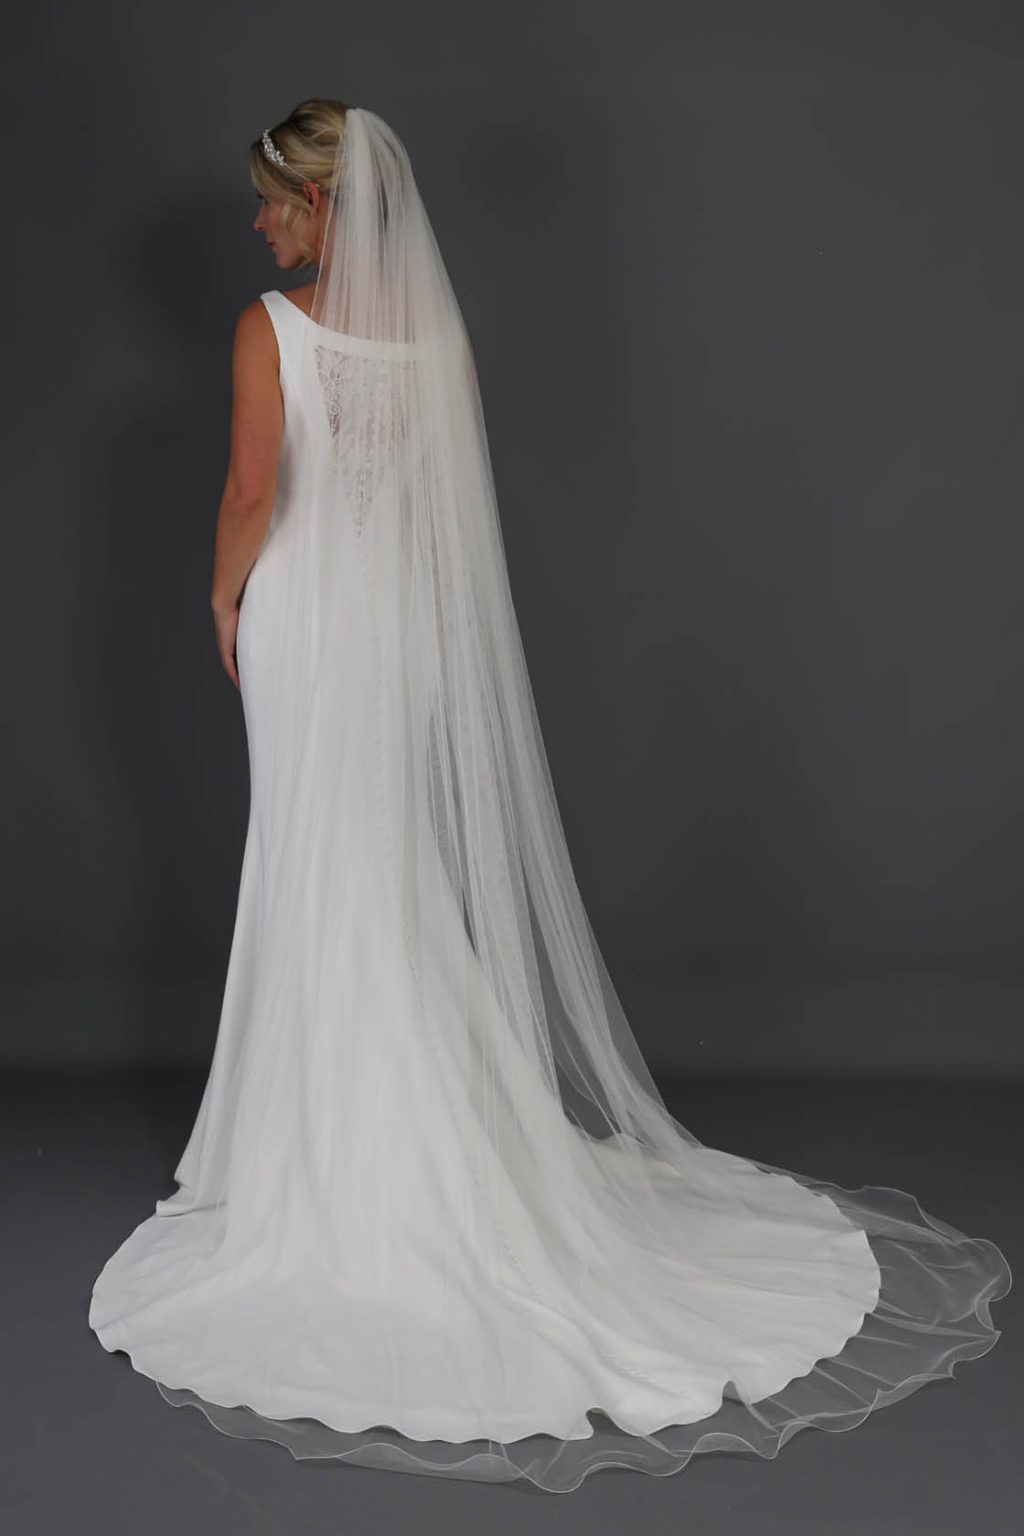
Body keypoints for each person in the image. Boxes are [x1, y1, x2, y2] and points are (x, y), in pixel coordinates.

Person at [89, 99, 1011, 1494]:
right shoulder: (437, 341)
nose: (261, 224)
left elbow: (249, 493)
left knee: (324, 863)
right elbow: (430, 515)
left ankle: (343, 1161)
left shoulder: (268, 329)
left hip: (313, 624)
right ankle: (392, 1134)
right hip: (398, 632)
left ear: (324, 207)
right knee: (375, 867)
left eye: (275, 201)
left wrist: (223, 601)